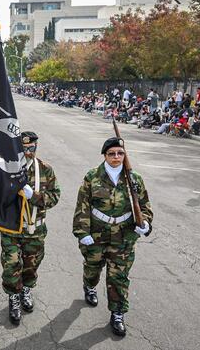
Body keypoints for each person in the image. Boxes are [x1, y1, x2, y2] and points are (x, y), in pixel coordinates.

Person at [73, 137, 153, 337]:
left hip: (124, 236)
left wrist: (146, 224)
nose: (116, 157)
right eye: (112, 154)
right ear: (104, 155)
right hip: (97, 234)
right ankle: (89, 287)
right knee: (93, 268)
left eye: (120, 153)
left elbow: (145, 206)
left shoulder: (134, 179)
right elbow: (82, 206)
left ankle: (117, 313)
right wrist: (82, 233)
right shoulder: (92, 177)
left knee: (118, 277)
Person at [1, 131, 60, 325]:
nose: (28, 151)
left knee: (31, 266)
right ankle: (13, 297)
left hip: (35, 229)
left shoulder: (45, 169)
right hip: (12, 229)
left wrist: (33, 196)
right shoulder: (6, 168)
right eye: (24, 148)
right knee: (11, 266)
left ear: (36, 146)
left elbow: (54, 197)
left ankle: (26, 290)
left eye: (31, 147)